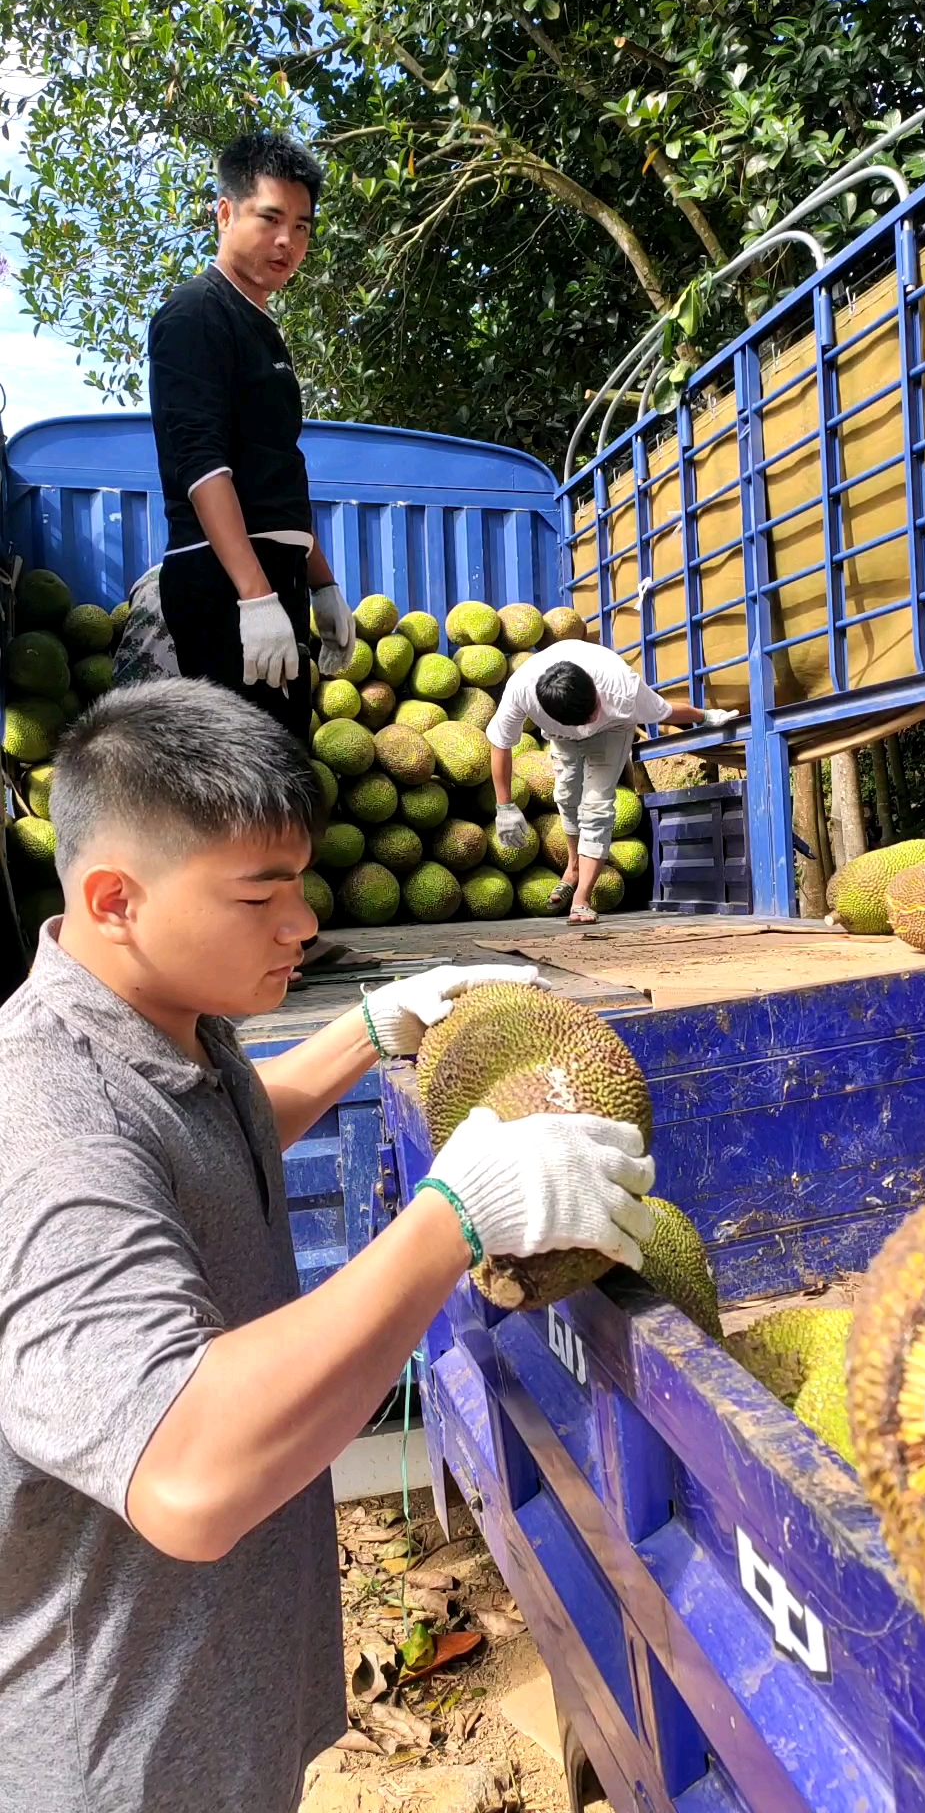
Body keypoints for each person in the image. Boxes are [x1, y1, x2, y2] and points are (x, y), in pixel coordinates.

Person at [0, 679, 656, 1813]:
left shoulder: (172, 1033)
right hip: (119, 1760)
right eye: (262, 895)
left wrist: (369, 1029)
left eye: (299, 883)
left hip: (217, 1705)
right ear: (114, 898)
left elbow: (215, 1136)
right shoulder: (43, 1117)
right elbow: (187, 1473)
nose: (302, 924)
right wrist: (454, 1218)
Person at [148, 131, 355, 743]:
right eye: (270, 218)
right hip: (225, 582)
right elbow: (201, 464)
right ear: (225, 212)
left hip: (270, 576)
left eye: (303, 225)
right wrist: (253, 595)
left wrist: (321, 580)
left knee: (278, 778)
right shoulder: (195, 314)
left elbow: (275, 471)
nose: (288, 241)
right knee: (245, 798)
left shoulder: (261, 325)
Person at [489, 638, 737, 923]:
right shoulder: (521, 691)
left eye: (593, 709)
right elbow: (500, 744)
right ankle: (573, 867)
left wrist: (704, 716)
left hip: (613, 729)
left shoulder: (621, 686)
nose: (590, 719)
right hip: (562, 737)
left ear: (594, 690)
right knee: (566, 797)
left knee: (597, 805)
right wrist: (504, 806)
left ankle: (581, 898)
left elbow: (664, 710)